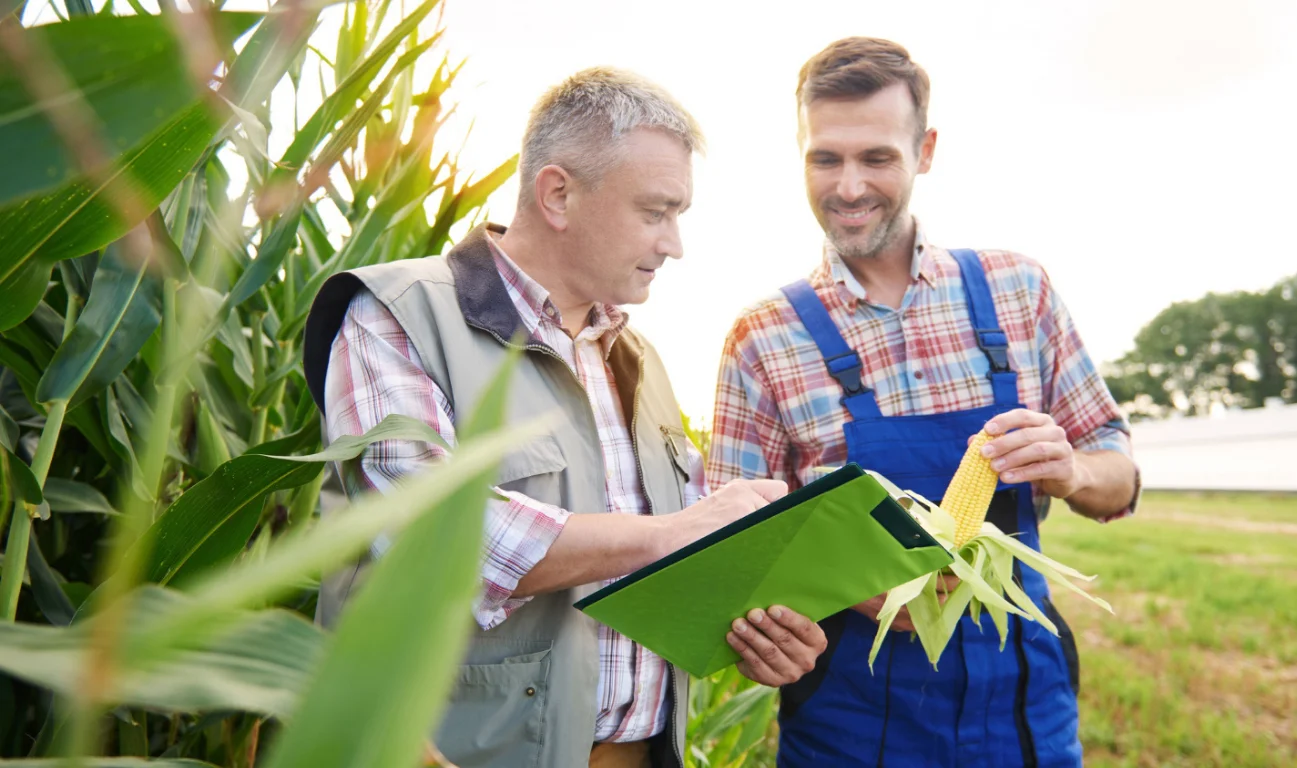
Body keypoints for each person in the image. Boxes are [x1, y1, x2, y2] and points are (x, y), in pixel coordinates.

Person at [302, 68, 826, 768]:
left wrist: (761, 626)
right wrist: (668, 533)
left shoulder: (640, 359)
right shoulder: (396, 315)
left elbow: (688, 550)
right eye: (656, 211)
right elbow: (427, 538)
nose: (674, 244)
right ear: (558, 194)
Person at [706, 38, 1142, 767]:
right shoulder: (763, 337)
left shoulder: (1018, 291)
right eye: (825, 159)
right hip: (850, 724)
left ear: (926, 150)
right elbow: (731, 551)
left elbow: (1118, 480)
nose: (848, 187)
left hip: (1024, 712)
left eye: (876, 157)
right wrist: (848, 590)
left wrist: (1069, 470)